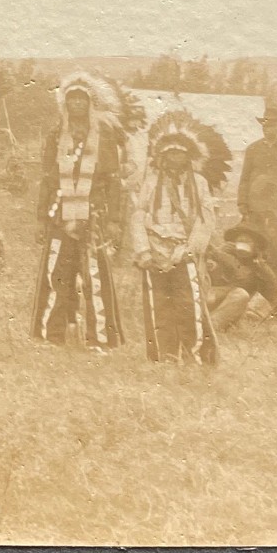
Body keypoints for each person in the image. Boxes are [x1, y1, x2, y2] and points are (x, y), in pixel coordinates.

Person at [31, 72, 125, 348]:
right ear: (65, 104)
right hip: (60, 215)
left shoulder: (104, 136)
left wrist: (115, 221)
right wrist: (40, 218)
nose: (76, 105)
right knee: (57, 274)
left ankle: (100, 338)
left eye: (81, 100)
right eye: (71, 100)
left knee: (94, 276)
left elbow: (113, 181)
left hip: (94, 214)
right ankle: (52, 335)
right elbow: (48, 179)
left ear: (90, 104)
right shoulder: (55, 135)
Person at [131, 109, 219, 364]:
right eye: (169, 153)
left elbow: (205, 219)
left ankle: (194, 355)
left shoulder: (199, 183)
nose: (174, 157)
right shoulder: (151, 181)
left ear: (188, 155)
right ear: (162, 155)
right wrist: (143, 250)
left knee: (188, 303)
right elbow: (139, 214)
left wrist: (191, 249)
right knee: (159, 304)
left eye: (180, 152)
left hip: (184, 250)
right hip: (155, 250)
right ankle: (164, 355)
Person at [206, 221, 277, 333]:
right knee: (209, 296)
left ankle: (209, 328)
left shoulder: (259, 268)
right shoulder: (221, 255)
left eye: (247, 241)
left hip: (228, 311)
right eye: (239, 241)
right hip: (207, 302)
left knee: (240, 294)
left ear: (256, 247)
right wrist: (217, 252)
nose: (242, 245)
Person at [238, 105, 277, 217]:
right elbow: (245, 178)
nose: (267, 129)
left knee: (276, 232)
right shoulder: (252, 149)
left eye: (271, 126)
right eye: (265, 126)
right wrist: (242, 203)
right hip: (255, 203)